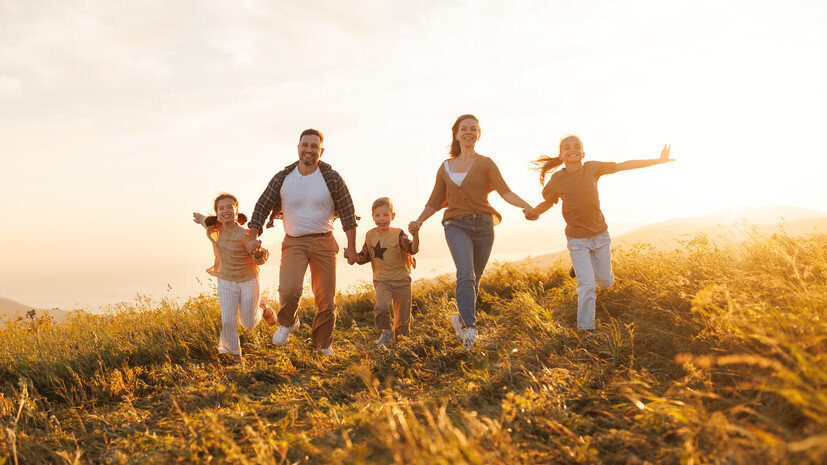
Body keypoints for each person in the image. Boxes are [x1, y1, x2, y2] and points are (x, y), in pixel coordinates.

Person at [408, 114, 536, 350]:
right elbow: (434, 202)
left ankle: (459, 319)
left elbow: (505, 192)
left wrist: (526, 205)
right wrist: (419, 220)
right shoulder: (445, 167)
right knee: (465, 273)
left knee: (474, 279)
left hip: (485, 225)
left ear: (478, 134)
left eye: (473, 129)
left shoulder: (486, 163)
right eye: (464, 128)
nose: (469, 132)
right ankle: (469, 329)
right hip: (456, 225)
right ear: (456, 134)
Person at [530, 135, 674, 333]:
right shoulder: (557, 179)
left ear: (583, 153)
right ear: (561, 155)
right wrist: (535, 212)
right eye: (567, 147)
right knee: (586, 285)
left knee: (605, 282)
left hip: (600, 234)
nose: (572, 149)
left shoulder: (592, 168)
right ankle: (586, 329)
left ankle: (579, 268)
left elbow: (623, 165)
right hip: (576, 238)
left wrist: (657, 161)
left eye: (576, 146)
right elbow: (548, 201)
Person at [247, 129, 358, 356]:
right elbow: (261, 207)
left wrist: (352, 247)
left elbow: (348, 211)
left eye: (314, 146)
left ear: (321, 150)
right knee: (288, 291)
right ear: (298, 148)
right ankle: (288, 321)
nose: (309, 149)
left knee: (326, 299)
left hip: (324, 241)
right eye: (305, 145)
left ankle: (322, 344)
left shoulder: (332, 177)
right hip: (294, 242)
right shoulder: (283, 178)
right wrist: (252, 237)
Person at [193, 193, 275, 366]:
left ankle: (264, 307)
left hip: (248, 280)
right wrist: (201, 218)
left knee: (248, 324)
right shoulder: (214, 230)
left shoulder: (245, 234)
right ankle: (237, 358)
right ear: (217, 213)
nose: (225, 211)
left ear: (236, 211)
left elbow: (259, 257)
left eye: (229, 207)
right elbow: (206, 222)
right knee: (228, 320)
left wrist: (259, 253)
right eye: (221, 208)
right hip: (225, 281)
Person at [353, 197, 419, 348]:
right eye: (377, 215)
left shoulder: (398, 234)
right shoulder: (370, 235)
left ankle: (401, 348)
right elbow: (364, 257)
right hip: (381, 280)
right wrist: (353, 256)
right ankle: (386, 331)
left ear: (392, 216)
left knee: (402, 319)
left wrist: (415, 235)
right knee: (381, 307)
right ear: (373, 217)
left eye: (385, 215)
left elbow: (412, 249)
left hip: (402, 280)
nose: (381, 219)